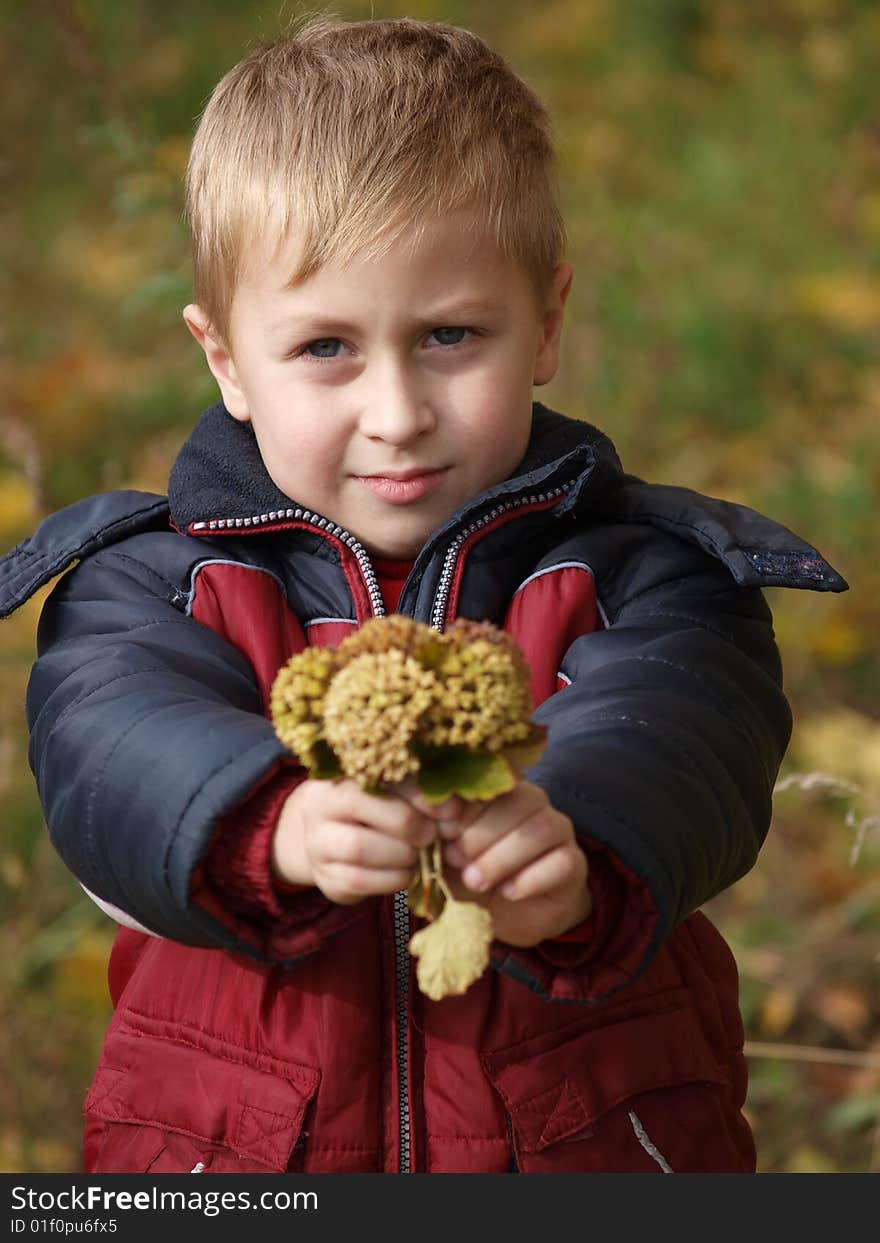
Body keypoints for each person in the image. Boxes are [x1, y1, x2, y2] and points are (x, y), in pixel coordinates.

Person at [0, 15, 847, 1174]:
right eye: (325, 350)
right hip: (240, 1160)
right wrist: (269, 823)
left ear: (545, 322)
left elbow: (684, 731)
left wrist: (575, 845)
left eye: (451, 335)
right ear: (226, 359)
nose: (396, 411)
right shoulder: (149, 585)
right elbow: (110, 745)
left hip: (587, 1137)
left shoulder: (649, 574)